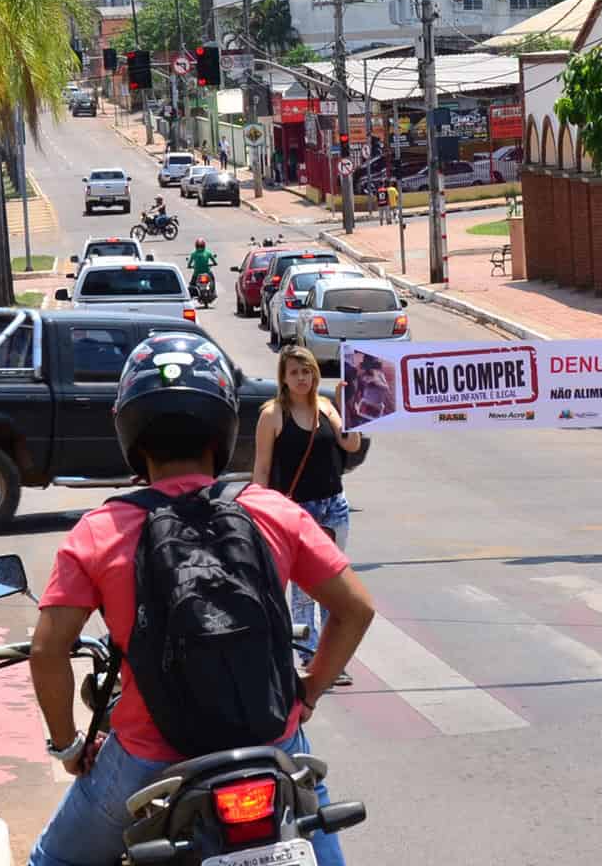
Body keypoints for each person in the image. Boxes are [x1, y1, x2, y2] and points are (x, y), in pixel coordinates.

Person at [26, 332, 376, 866]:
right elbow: (356, 608)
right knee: (314, 825)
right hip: (271, 743)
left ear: (132, 434)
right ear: (222, 428)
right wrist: (306, 693)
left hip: (149, 756)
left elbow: (47, 650)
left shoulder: (100, 530)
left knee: (52, 860)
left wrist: (70, 747)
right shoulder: (270, 510)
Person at [254, 344, 365, 688]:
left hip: (334, 507)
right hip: (295, 512)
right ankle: (308, 657)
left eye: (306, 371)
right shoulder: (273, 414)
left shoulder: (327, 407)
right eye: (294, 373)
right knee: (304, 589)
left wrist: (349, 408)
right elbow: (262, 468)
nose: (302, 378)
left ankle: (332, 662)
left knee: (333, 586)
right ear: (284, 378)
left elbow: (351, 445)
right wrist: (258, 512)